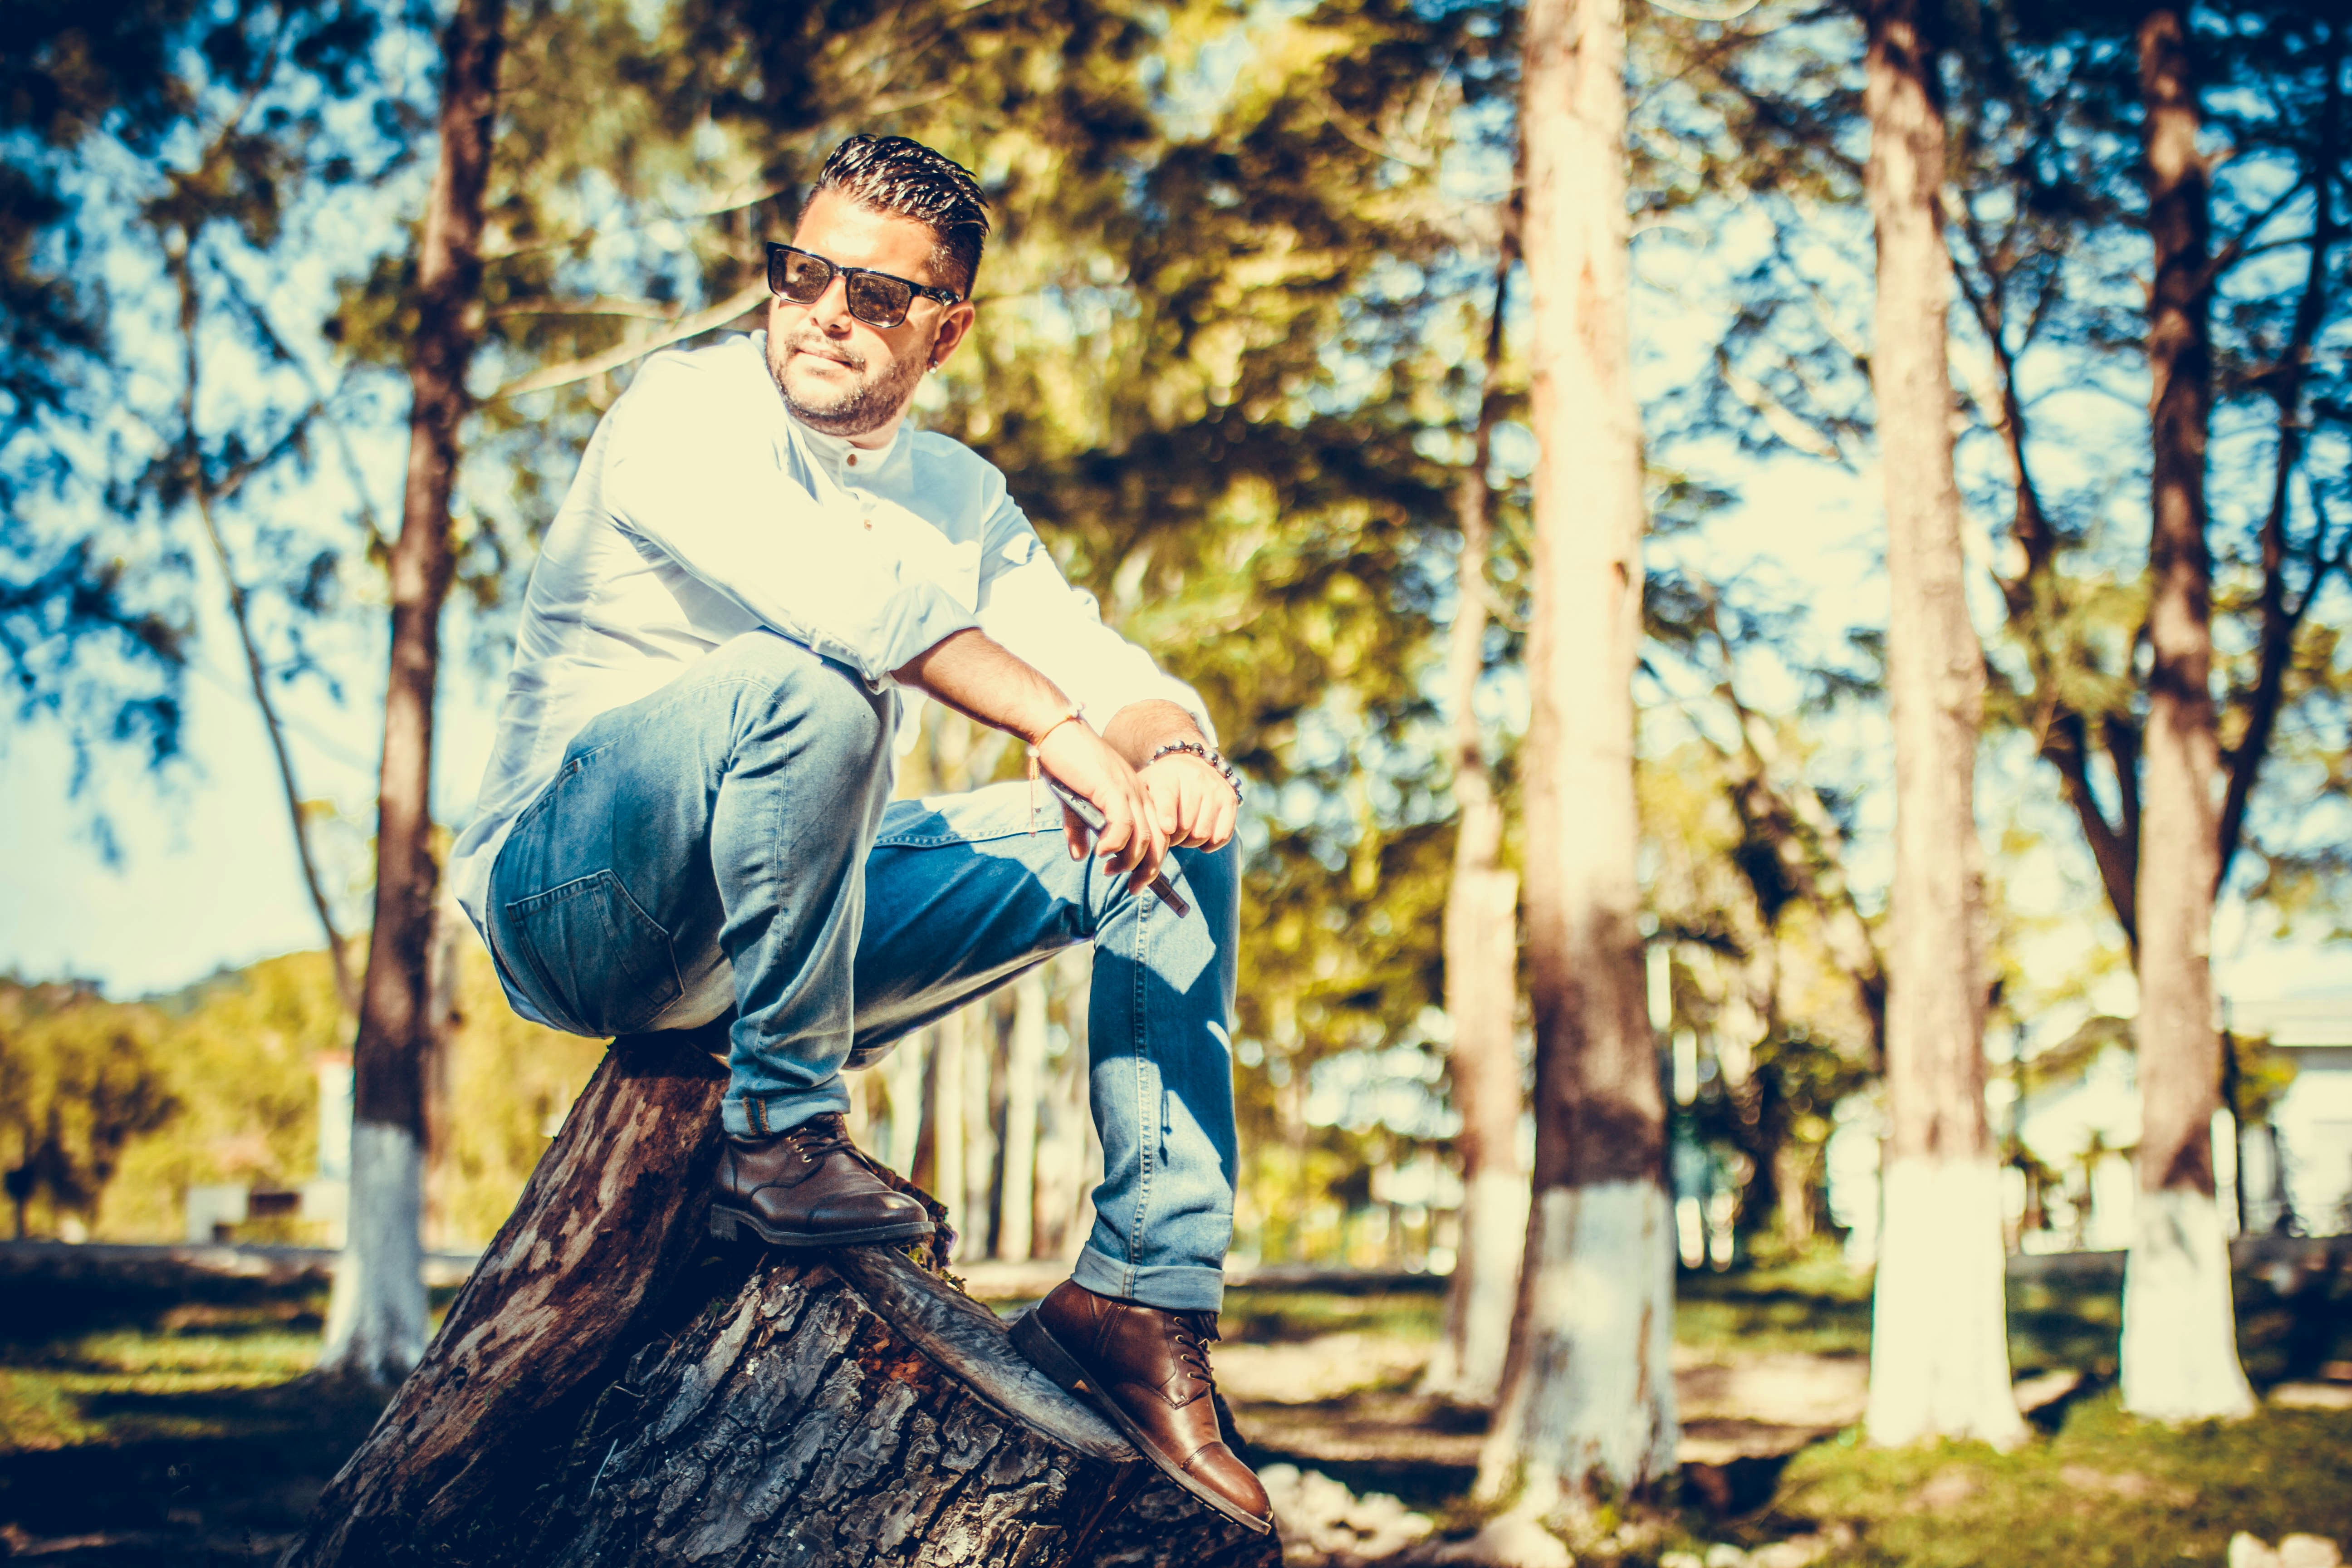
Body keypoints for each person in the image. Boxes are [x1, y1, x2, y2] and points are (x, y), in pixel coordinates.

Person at [448, 133, 1269, 1534]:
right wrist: (1052, 727)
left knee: (1166, 851)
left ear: (946, 330)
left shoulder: (957, 496)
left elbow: (1098, 662)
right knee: (811, 685)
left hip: (791, 922)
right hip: (576, 901)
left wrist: (1169, 750)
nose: (828, 312)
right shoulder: (685, 404)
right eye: (803, 275)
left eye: (878, 296)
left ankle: (1144, 1291)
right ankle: (781, 1132)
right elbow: (847, 602)